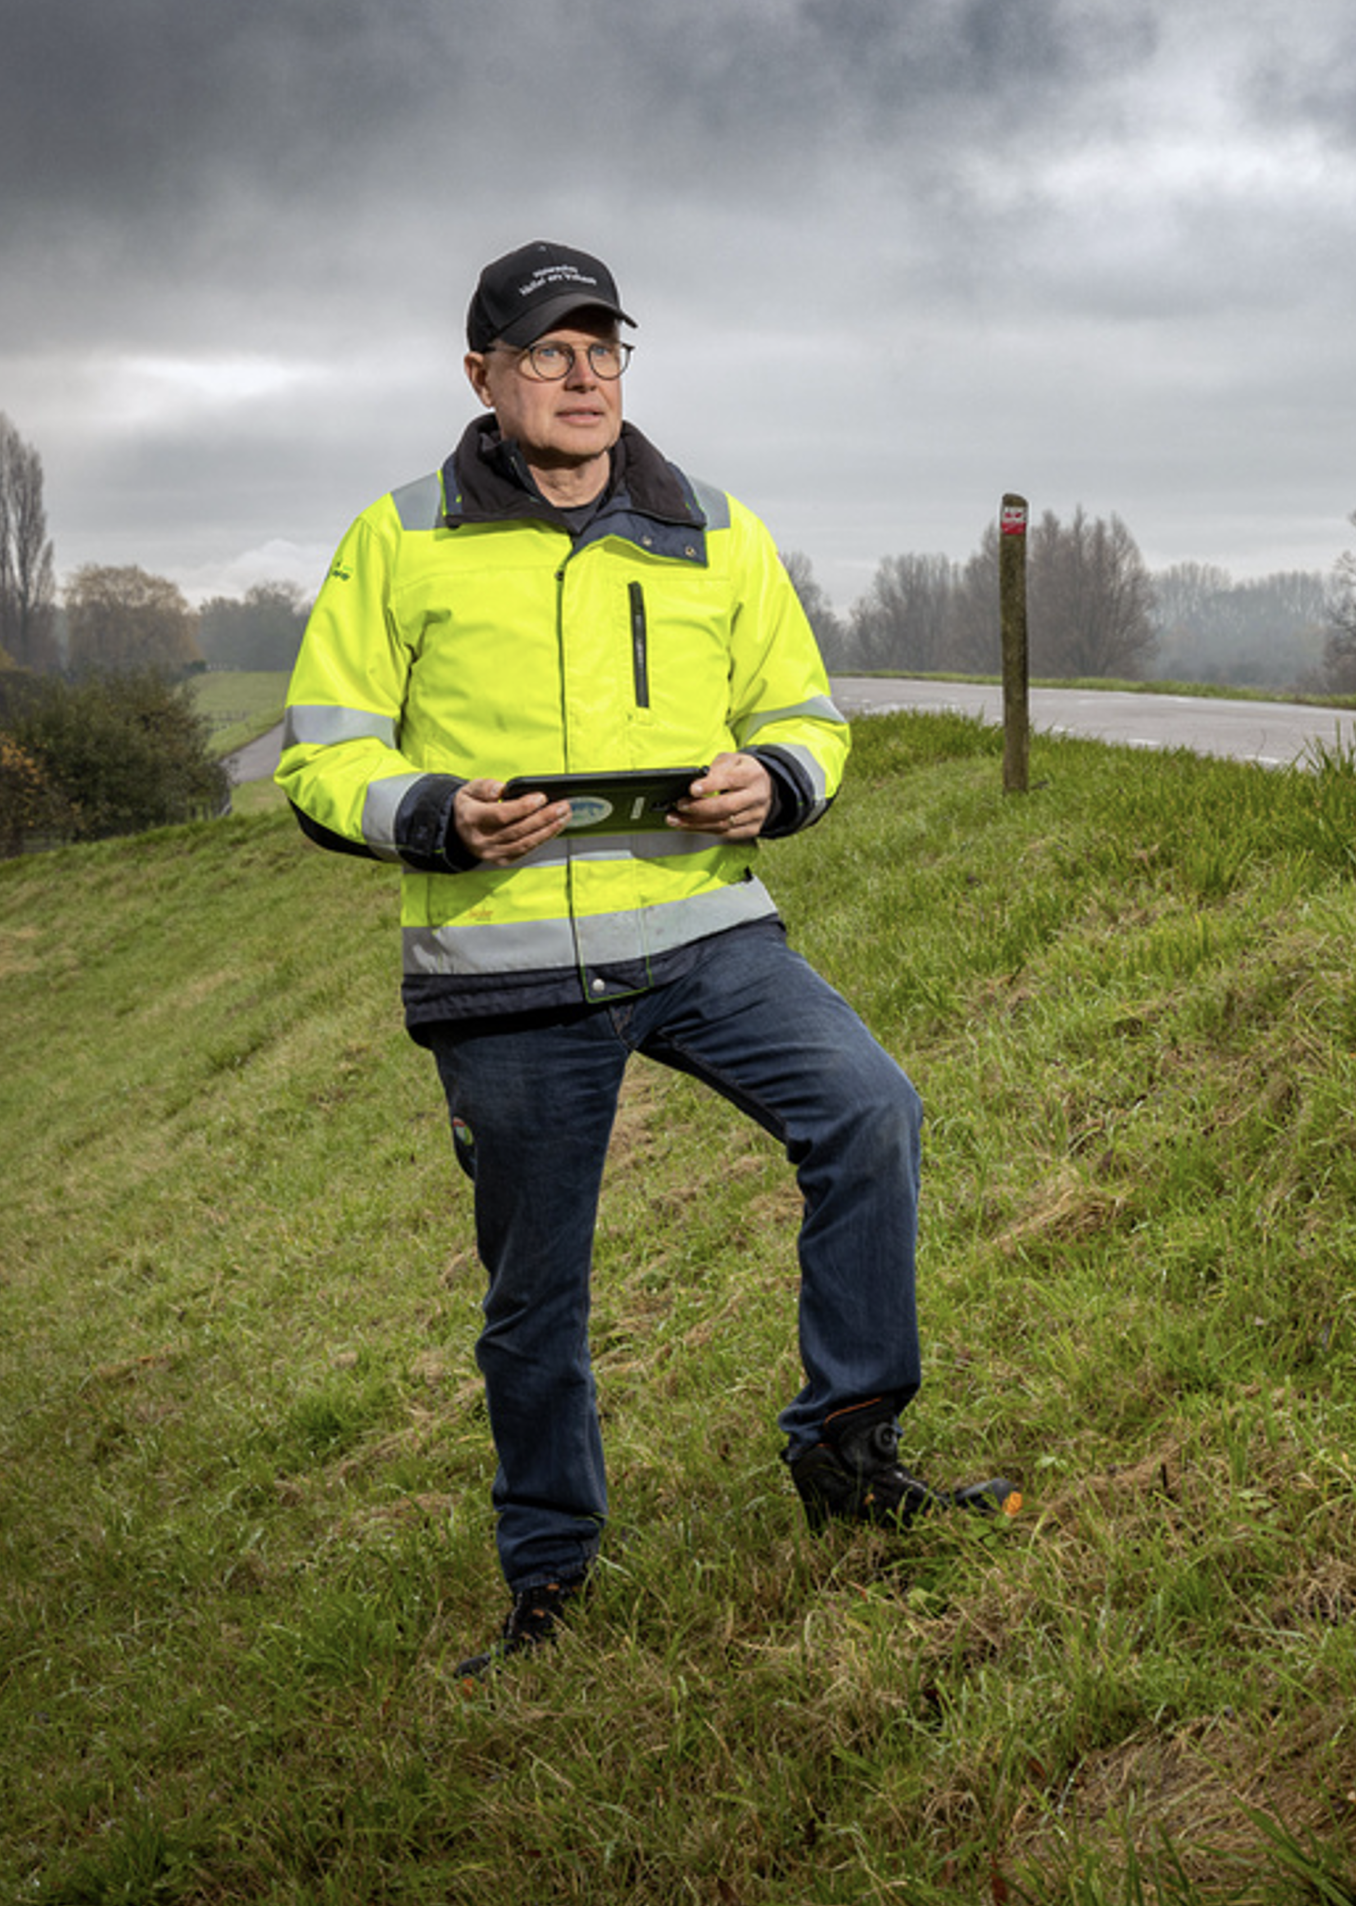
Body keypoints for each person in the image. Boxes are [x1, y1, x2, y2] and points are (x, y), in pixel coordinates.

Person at [277, 240, 1016, 1678]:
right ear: (482, 374)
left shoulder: (713, 527)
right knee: (533, 1297)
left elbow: (806, 708)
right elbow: (322, 751)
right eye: (549, 351)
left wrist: (776, 783)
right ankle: (549, 1573)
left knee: (871, 1111)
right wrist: (434, 812)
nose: (583, 376)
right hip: (504, 977)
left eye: (604, 349)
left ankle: (850, 1452)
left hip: (707, 938)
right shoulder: (398, 539)